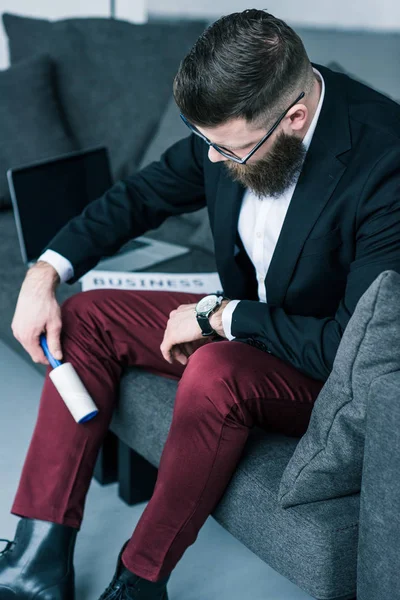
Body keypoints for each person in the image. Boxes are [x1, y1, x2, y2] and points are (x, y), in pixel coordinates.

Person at [1, 8, 400, 600]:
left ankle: (139, 580)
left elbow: (348, 350)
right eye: (204, 143)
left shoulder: (386, 164)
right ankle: (36, 562)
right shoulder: (230, 130)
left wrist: (220, 316)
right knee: (87, 315)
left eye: (226, 150)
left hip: (320, 366)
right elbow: (141, 194)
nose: (210, 161)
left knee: (215, 368)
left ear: (294, 118)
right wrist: (44, 272)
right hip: (247, 323)